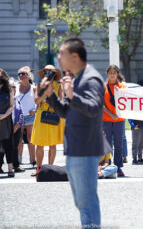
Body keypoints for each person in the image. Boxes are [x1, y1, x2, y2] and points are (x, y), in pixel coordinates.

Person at [41, 38, 109, 227]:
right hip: (75, 147)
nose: (58, 58)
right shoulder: (77, 79)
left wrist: (72, 95)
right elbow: (65, 112)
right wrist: (51, 96)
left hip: (86, 148)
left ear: (75, 56)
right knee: (81, 201)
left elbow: (94, 108)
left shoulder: (91, 79)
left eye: (62, 54)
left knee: (87, 201)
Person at [30, 65, 65, 177]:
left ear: (54, 74)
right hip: (41, 115)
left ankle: (50, 168)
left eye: (49, 72)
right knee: (39, 145)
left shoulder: (59, 86)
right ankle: (39, 169)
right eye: (45, 72)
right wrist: (45, 91)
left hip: (54, 115)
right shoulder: (39, 86)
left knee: (52, 145)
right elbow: (36, 102)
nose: (47, 73)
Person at [103, 65, 126, 177]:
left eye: (114, 72)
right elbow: (101, 104)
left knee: (118, 144)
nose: (112, 75)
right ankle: (108, 165)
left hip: (119, 120)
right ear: (107, 74)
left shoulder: (122, 87)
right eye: (110, 73)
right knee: (107, 144)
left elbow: (127, 103)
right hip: (106, 119)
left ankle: (118, 167)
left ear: (117, 74)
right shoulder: (103, 87)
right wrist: (111, 114)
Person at [16, 66, 36, 166]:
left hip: (30, 115)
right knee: (19, 139)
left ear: (28, 75)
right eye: (19, 74)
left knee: (30, 138)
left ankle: (33, 160)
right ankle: (18, 160)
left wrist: (35, 109)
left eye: (23, 74)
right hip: (18, 116)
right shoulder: (15, 87)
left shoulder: (34, 88)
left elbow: (39, 102)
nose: (21, 76)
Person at [0, 69, 15, 177]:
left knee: (8, 145)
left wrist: (4, 115)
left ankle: (10, 168)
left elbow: (12, 106)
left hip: (6, 120)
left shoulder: (9, 89)